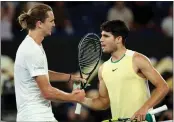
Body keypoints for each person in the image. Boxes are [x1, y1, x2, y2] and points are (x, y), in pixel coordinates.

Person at [81, 20, 169, 122]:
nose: (101, 40)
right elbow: (103, 102)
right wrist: (82, 99)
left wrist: (145, 108)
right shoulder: (103, 69)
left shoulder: (137, 59)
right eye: (101, 36)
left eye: (106, 36)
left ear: (118, 39)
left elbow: (163, 87)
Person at [14, 4, 85, 121]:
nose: (54, 24)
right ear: (39, 24)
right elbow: (47, 92)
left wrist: (70, 77)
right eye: (51, 21)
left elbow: (42, 73)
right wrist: (72, 97)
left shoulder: (35, 46)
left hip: (39, 114)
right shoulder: (31, 50)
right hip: (34, 116)